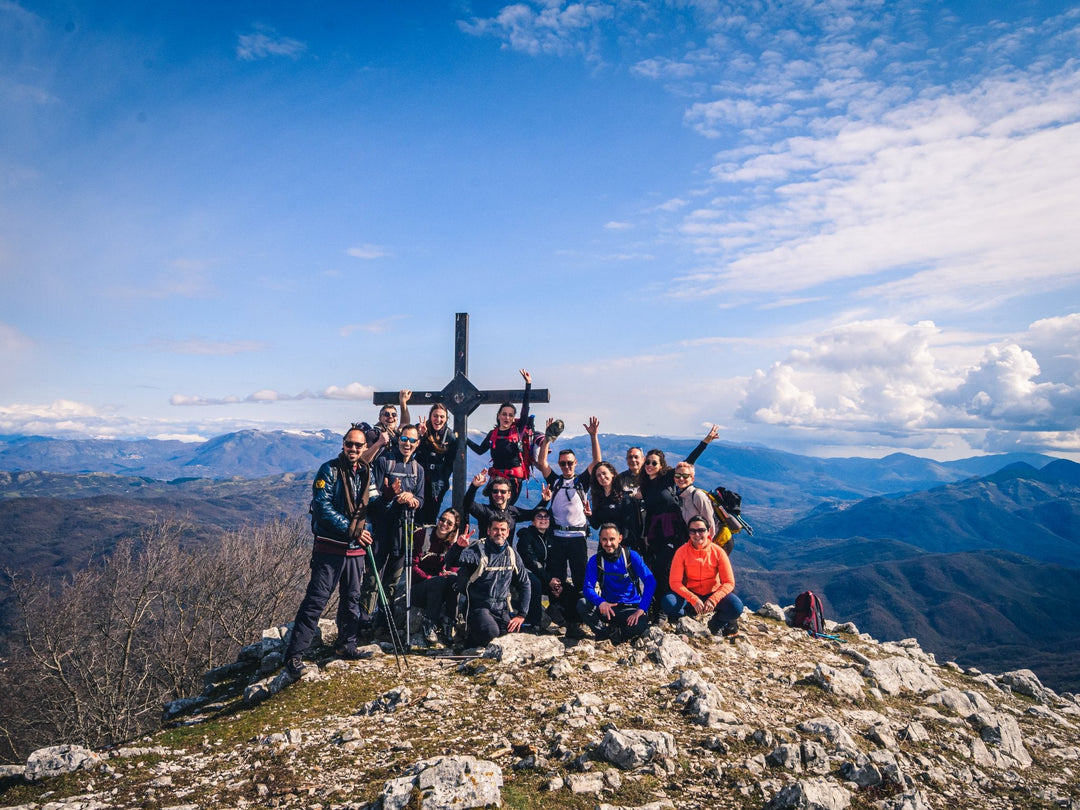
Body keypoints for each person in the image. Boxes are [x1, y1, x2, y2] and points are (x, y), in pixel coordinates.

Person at [283, 425, 378, 681]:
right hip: (330, 546)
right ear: (343, 444)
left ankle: (346, 644)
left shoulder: (367, 473)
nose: (354, 449)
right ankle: (294, 656)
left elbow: (375, 502)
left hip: (355, 549)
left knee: (352, 598)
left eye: (359, 445)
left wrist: (392, 495)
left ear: (365, 448)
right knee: (316, 601)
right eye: (350, 444)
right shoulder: (329, 470)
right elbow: (323, 507)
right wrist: (352, 530)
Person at [639, 426, 720, 615]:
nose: (650, 465)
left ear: (661, 466)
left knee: (668, 569)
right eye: (647, 462)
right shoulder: (645, 485)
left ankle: (667, 609)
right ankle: (661, 606)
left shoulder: (668, 478)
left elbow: (688, 462)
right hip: (655, 534)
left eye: (654, 462)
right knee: (657, 569)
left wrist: (705, 441)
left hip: (673, 533)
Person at [535, 416, 602, 637]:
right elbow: (541, 463)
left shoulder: (581, 481)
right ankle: (563, 616)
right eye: (563, 463)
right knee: (558, 580)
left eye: (569, 463)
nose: (566, 466)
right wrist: (547, 438)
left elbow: (597, 462)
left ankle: (579, 617)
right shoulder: (555, 480)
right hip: (557, 537)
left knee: (582, 580)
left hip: (578, 539)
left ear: (575, 464)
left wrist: (593, 436)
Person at [359, 423, 425, 634]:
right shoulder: (383, 463)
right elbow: (373, 500)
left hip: (404, 532)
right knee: (371, 580)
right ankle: (363, 622)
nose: (407, 444)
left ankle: (383, 622)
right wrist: (391, 495)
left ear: (417, 443)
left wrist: (414, 500)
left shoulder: (418, 470)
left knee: (390, 582)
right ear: (399, 440)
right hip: (380, 530)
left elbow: (422, 499)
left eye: (412, 440)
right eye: (404, 439)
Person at [455, 516, 532, 647]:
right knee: (491, 632)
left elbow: (525, 583)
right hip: (477, 607)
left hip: (501, 609)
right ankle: (469, 643)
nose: (499, 533)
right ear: (488, 531)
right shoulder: (477, 551)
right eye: (495, 529)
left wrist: (521, 615)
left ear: (508, 532)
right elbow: (453, 562)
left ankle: (478, 641)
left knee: (510, 637)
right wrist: (458, 547)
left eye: (503, 530)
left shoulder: (512, 554)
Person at [662, 515, 744, 637]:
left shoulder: (718, 552)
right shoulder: (681, 552)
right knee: (668, 602)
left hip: (712, 593)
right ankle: (687, 619)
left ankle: (716, 624)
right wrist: (693, 599)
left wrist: (713, 599)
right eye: (693, 531)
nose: (697, 534)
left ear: (708, 531)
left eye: (701, 530)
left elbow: (729, 582)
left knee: (736, 607)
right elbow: (675, 582)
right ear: (688, 532)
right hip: (690, 595)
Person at [578, 523, 656, 643]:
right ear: (600, 539)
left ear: (620, 538)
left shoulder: (631, 557)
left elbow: (650, 581)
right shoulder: (596, 560)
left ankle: (618, 634)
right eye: (604, 539)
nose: (608, 543)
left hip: (629, 608)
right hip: (607, 608)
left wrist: (642, 609)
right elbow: (588, 587)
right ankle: (604, 634)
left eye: (612, 539)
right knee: (582, 604)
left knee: (641, 623)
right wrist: (601, 602)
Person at [467, 369, 533, 504]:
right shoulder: (493, 434)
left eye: (510, 415)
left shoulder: (518, 431)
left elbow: (525, 409)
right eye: (504, 414)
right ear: (498, 416)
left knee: (506, 510)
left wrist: (528, 385)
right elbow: (480, 450)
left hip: (513, 480)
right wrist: (464, 439)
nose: (507, 417)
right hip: (496, 478)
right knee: (494, 511)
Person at [411, 507, 471, 644]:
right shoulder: (422, 535)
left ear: (454, 528)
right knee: (438, 582)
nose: (444, 524)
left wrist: (457, 547)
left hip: (439, 587)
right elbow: (412, 567)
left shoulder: (452, 543)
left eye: (449, 523)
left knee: (453, 580)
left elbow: (453, 568)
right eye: (442, 519)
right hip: (419, 588)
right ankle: (429, 622)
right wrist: (430, 579)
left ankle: (449, 622)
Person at [515, 507, 568, 633]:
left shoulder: (551, 536)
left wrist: (556, 580)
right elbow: (532, 562)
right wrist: (549, 579)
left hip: (544, 575)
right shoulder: (526, 537)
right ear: (533, 521)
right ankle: (535, 623)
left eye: (546, 516)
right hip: (527, 573)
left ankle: (564, 620)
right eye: (539, 516)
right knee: (536, 584)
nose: (543, 519)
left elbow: (556, 561)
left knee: (564, 587)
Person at [462, 469, 550, 539]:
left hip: (506, 557)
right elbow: (468, 504)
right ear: (491, 493)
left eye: (503, 492)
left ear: (509, 494)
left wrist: (544, 501)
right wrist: (474, 486)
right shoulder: (484, 511)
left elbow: (532, 514)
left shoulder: (513, 512)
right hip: (485, 556)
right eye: (495, 491)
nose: (499, 494)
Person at [415, 402, 458, 526]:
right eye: (435, 416)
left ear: (446, 419)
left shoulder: (449, 436)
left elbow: (451, 462)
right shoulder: (420, 429)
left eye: (442, 417)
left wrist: (443, 478)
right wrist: (421, 436)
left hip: (437, 483)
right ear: (430, 416)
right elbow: (411, 451)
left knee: (431, 517)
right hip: (419, 480)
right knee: (416, 515)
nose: (438, 419)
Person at [588, 460, 640, 549]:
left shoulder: (625, 497)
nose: (602, 477)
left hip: (622, 545)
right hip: (604, 545)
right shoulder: (598, 499)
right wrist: (589, 515)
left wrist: (622, 544)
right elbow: (596, 525)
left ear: (612, 473)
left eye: (604, 473)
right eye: (599, 475)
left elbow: (629, 526)